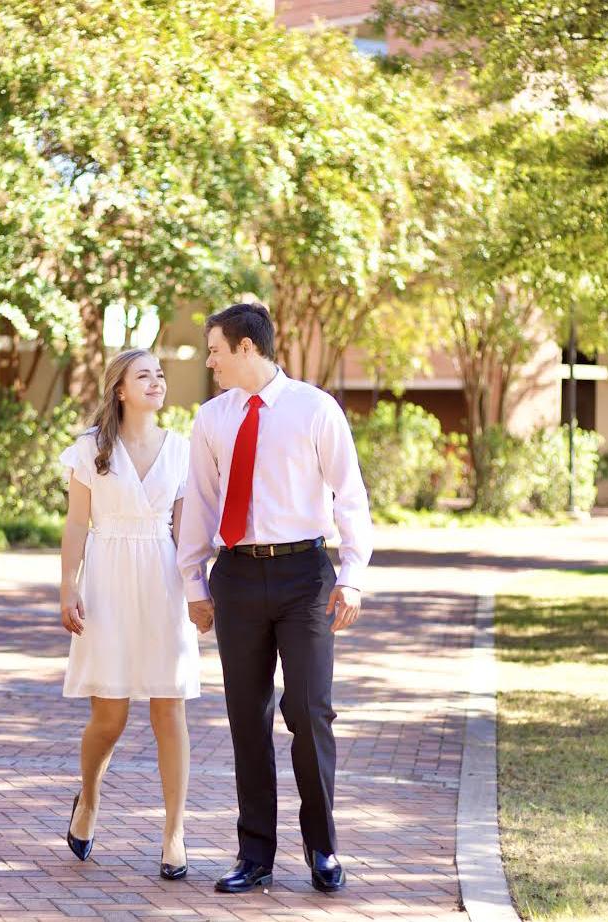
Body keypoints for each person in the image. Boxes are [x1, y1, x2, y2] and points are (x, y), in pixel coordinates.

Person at [177, 302, 373, 895]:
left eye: (215, 349)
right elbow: (202, 503)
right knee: (247, 717)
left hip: (304, 576)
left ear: (245, 349)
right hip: (236, 576)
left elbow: (350, 496)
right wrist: (195, 584)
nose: (208, 361)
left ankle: (323, 851)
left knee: (310, 713)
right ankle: (254, 855)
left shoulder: (315, 409)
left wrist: (353, 575)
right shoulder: (212, 419)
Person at [58, 348, 199, 880]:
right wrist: (67, 587)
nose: (157, 382)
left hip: (162, 579)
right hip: (108, 578)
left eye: (161, 375)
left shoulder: (182, 450)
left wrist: (198, 592)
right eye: (145, 375)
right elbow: (76, 525)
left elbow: (187, 532)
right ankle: (89, 800)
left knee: (170, 707)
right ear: (120, 389)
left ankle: (174, 833)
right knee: (110, 716)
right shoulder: (89, 450)